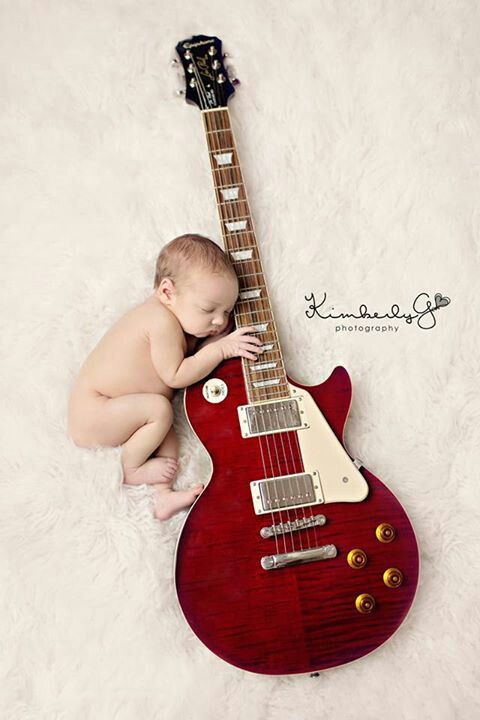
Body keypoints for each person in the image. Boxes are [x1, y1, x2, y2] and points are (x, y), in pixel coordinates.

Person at [67, 233, 264, 520]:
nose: (220, 321)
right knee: (159, 409)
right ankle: (130, 468)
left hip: (125, 408)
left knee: (164, 422)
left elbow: (191, 355)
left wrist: (214, 340)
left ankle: (163, 495)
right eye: (209, 309)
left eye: (227, 310)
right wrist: (220, 350)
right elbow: (177, 374)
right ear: (167, 292)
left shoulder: (180, 321)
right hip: (94, 411)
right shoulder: (159, 321)